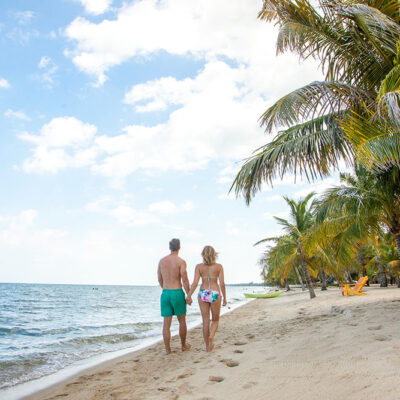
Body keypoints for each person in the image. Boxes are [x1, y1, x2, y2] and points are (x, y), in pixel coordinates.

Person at [186, 245, 226, 352]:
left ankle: (207, 347)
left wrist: (188, 295)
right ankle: (211, 336)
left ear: (203, 255)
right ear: (214, 254)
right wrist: (225, 298)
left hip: (203, 293)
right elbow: (222, 284)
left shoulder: (199, 267)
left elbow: (195, 283)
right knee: (215, 320)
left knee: (205, 321)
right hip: (215, 293)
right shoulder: (219, 267)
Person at [158, 238, 191, 355]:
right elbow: (185, 280)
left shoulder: (162, 261)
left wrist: (165, 288)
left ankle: (168, 350)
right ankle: (183, 345)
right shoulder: (181, 261)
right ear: (179, 247)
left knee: (166, 324)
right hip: (177, 292)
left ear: (169, 247)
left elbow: (160, 279)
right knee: (182, 320)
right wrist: (189, 295)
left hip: (165, 293)